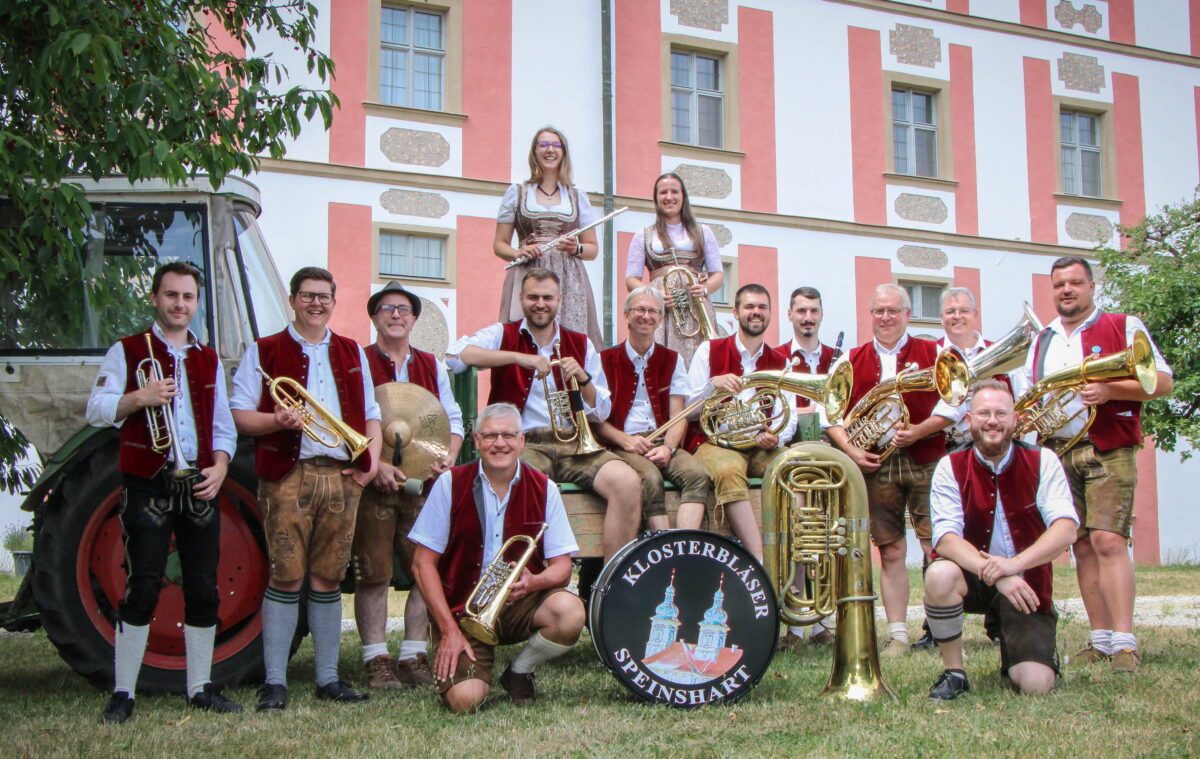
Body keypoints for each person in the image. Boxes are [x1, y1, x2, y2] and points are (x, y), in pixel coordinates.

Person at [86, 262, 242, 724]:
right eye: (171, 295)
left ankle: (199, 687)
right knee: (143, 585)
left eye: (188, 297)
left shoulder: (208, 358)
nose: (180, 304)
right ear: (154, 298)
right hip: (148, 481)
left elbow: (223, 427)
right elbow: (96, 409)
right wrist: (140, 397)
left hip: (198, 480)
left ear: (196, 303)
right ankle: (123, 693)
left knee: (203, 587)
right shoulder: (129, 350)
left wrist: (220, 467)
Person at [231, 266, 383, 711]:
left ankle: (328, 679)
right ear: (293, 300)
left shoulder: (352, 350)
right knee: (286, 575)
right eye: (308, 296)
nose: (316, 304)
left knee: (328, 576)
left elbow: (370, 410)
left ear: (334, 302)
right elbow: (240, 413)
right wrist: (276, 421)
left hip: (342, 475)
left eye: (324, 297)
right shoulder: (263, 351)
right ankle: (274, 682)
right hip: (287, 474)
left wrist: (369, 461)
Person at [1022, 256, 1173, 672]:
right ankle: (1100, 639)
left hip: (1107, 445)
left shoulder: (1124, 326)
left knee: (1108, 540)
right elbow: (1034, 395)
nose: (1066, 290)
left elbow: (1162, 382)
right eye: (1059, 285)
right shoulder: (1042, 340)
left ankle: (1125, 642)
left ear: (1091, 286)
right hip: (1059, 450)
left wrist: (1110, 390)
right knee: (1081, 546)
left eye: (1074, 283)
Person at [448, 267, 642, 562]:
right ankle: (531, 578)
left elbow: (602, 409)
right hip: (526, 444)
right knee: (521, 485)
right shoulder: (504, 333)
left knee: (627, 482)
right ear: (522, 299)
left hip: (575, 444)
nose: (540, 303)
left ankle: (610, 582)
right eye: (533, 297)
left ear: (559, 299)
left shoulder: (581, 343)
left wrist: (584, 379)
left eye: (547, 297)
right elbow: (455, 356)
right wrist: (517, 357)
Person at [409, 403, 586, 712]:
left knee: (569, 612)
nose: (499, 443)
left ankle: (519, 671)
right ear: (476, 441)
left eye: (508, 435)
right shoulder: (450, 484)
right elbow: (422, 564)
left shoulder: (545, 489)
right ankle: (464, 660)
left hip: (518, 602)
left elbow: (562, 568)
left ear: (522, 440)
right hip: (463, 610)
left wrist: (534, 582)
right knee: (465, 702)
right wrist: (449, 631)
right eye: (490, 436)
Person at [825, 283, 965, 657]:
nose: (885, 317)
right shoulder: (849, 360)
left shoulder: (937, 353)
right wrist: (852, 450)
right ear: (870, 315)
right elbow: (831, 415)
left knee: (936, 545)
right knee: (890, 550)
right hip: (875, 463)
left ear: (907, 314)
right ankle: (899, 634)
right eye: (878, 311)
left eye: (893, 311)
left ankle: (942, 629)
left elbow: (955, 404)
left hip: (925, 457)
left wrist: (919, 430)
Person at [924, 379, 1078, 699]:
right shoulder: (949, 466)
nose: (992, 421)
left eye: (1000, 413)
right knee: (939, 573)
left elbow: (1066, 529)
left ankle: (1019, 643)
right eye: (983, 413)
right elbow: (946, 539)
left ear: (1015, 419)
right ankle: (955, 672)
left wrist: (1014, 566)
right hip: (974, 577)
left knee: (1035, 686)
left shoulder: (1043, 460)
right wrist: (997, 575)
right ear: (969, 421)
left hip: (1025, 581)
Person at [352, 282, 464, 690]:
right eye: (386, 308)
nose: (395, 315)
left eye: (403, 309)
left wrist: (449, 456)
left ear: (415, 319)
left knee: (423, 569)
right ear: (375, 316)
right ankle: (375, 658)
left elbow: (453, 418)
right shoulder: (358, 361)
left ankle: (412, 654)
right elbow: (349, 420)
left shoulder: (433, 366)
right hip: (375, 484)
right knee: (374, 572)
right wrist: (374, 465)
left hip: (423, 484)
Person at [682, 284, 796, 560]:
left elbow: (788, 416)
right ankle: (758, 559)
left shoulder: (781, 362)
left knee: (792, 469)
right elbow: (688, 409)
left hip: (760, 444)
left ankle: (793, 553)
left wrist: (775, 437)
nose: (756, 313)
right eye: (749, 307)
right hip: (714, 443)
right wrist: (713, 385)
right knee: (729, 469)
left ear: (769, 314)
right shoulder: (709, 350)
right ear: (735, 313)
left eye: (762, 307)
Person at [594, 286, 711, 532]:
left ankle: (684, 543)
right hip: (622, 444)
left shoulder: (672, 359)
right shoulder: (603, 359)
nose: (645, 316)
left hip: (661, 442)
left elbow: (677, 415)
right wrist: (626, 441)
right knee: (650, 477)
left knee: (697, 476)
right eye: (639, 309)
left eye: (652, 311)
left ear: (660, 318)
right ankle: (662, 546)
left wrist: (668, 448)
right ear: (626, 315)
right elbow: (595, 419)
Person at [494, 126, 602, 346]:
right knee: (524, 337)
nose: (549, 150)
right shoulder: (517, 192)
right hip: (528, 270)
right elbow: (499, 244)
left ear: (563, 152)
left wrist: (576, 248)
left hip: (569, 277)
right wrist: (518, 252)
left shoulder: (577, 195)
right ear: (535, 152)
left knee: (569, 339)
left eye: (555, 145)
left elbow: (592, 248)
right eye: (543, 145)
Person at [776, 286, 838, 650]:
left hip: (830, 456)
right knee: (800, 536)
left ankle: (825, 621)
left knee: (829, 537)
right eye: (801, 311)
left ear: (821, 314)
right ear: (790, 315)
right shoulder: (779, 357)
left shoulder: (838, 358)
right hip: (794, 457)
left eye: (813, 310)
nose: (808, 317)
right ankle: (797, 625)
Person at [624, 172, 724, 367]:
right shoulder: (642, 235)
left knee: (699, 360)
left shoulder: (704, 231)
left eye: (674, 192)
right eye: (663, 192)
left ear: (683, 197)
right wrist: (654, 295)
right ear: (656, 199)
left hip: (696, 307)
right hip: (662, 308)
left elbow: (718, 275)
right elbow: (631, 280)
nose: (669, 197)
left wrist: (705, 289)